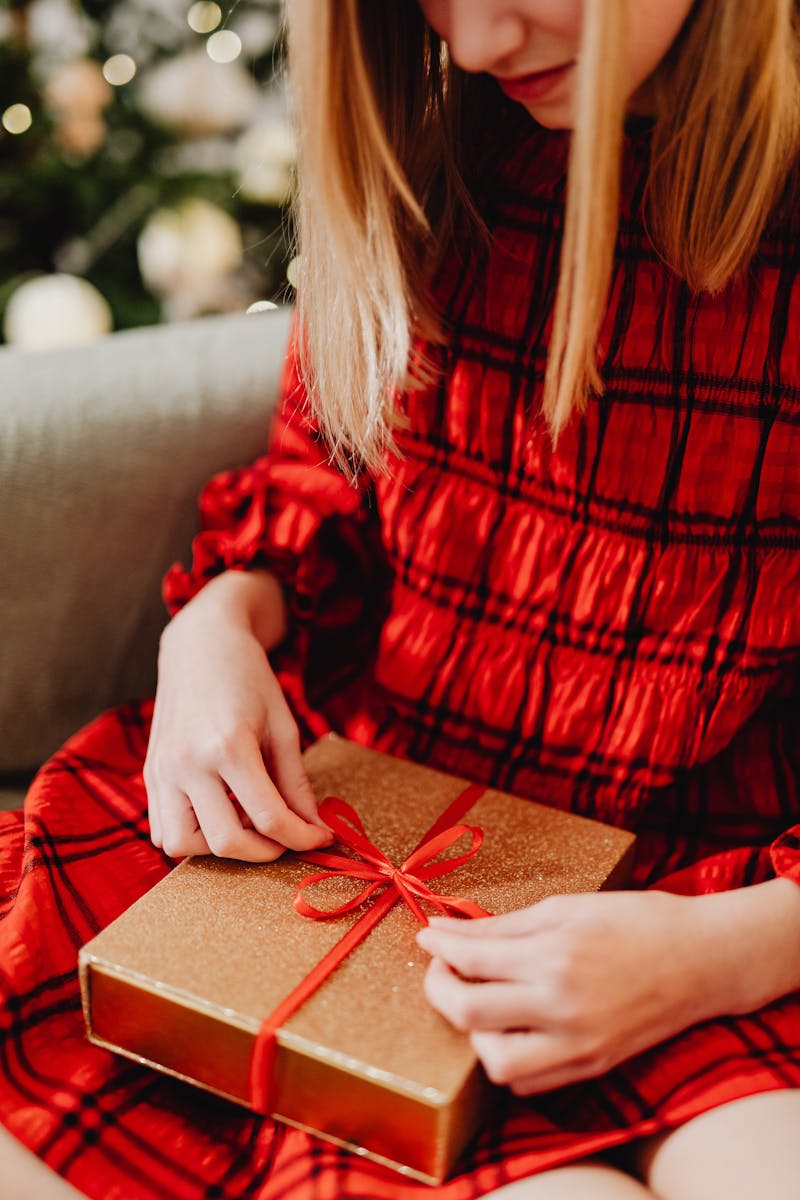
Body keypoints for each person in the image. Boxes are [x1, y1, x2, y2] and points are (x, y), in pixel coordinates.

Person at [2, 0, 800, 1197]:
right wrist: (216, 624)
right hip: (360, 814)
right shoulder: (438, 146)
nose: (471, 43)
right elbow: (317, 475)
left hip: (725, 896)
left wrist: (729, 954)